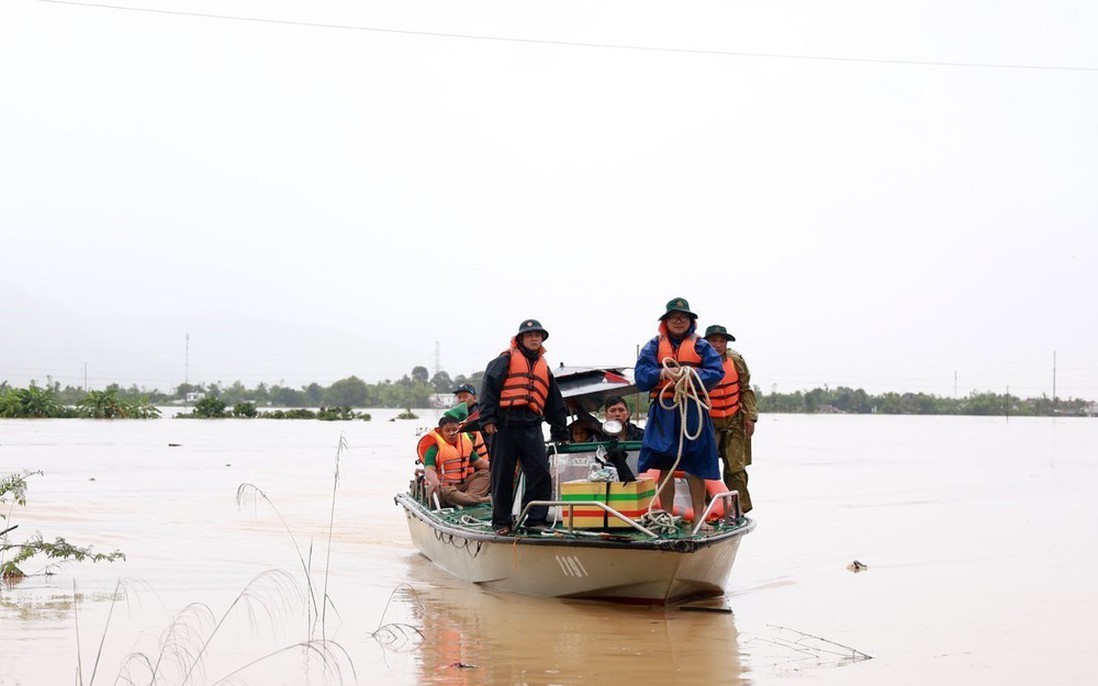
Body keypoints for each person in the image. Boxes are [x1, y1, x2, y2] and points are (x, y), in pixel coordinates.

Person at [634, 297, 725, 524]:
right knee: (665, 464)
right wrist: (662, 374)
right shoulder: (653, 346)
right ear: (666, 321)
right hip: (664, 413)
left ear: (690, 321)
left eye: (683, 318)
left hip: (693, 410)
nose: (678, 321)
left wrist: (692, 375)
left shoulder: (702, 346)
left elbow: (716, 372)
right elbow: (641, 375)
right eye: (674, 317)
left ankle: (698, 518)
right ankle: (665, 516)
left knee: (697, 464)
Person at [479, 318, 569, 535]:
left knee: (540, 473)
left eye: (538, 335)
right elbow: (489, 388)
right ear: (520, 339)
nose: (534, 338)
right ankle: (501, 523)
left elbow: (554, 401)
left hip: (531, 426)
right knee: (502, 475)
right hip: (505, 426)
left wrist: (559, 430)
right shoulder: (504, 361)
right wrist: (488, 420)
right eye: (530, 335)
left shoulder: (544, 368)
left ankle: (534, 519)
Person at [704, 324, 758, 513]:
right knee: (705, 467)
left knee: (736, 468)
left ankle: (738, 509)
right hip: (708, 422)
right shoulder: (698, 361)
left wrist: (750, 416)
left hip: (734, 420)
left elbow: (745, 389)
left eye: (722, 341)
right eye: (713, 340)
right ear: (706, 342)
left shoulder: (736, 361)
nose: (718, 345)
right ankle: (706, 508)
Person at [416, 407, 491, 507]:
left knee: (487, 473)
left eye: (454, 430)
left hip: (463, 486)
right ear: (440, 432)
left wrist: (499, 469)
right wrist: (434, 481)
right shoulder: (434, 449)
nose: (452, 433)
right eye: (447, 430)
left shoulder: (465, 445)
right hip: (445, 488)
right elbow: (429, 469)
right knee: (446, 491)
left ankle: (467, 499)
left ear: (459, 429)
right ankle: (483, 500)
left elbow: (479, 462)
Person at [453, 382, 490, 463]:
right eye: (459, 397)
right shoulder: (459, 415)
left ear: (474, 398)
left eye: (465, 396)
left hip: (484, 454)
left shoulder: (479, 413)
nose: (462, 400)